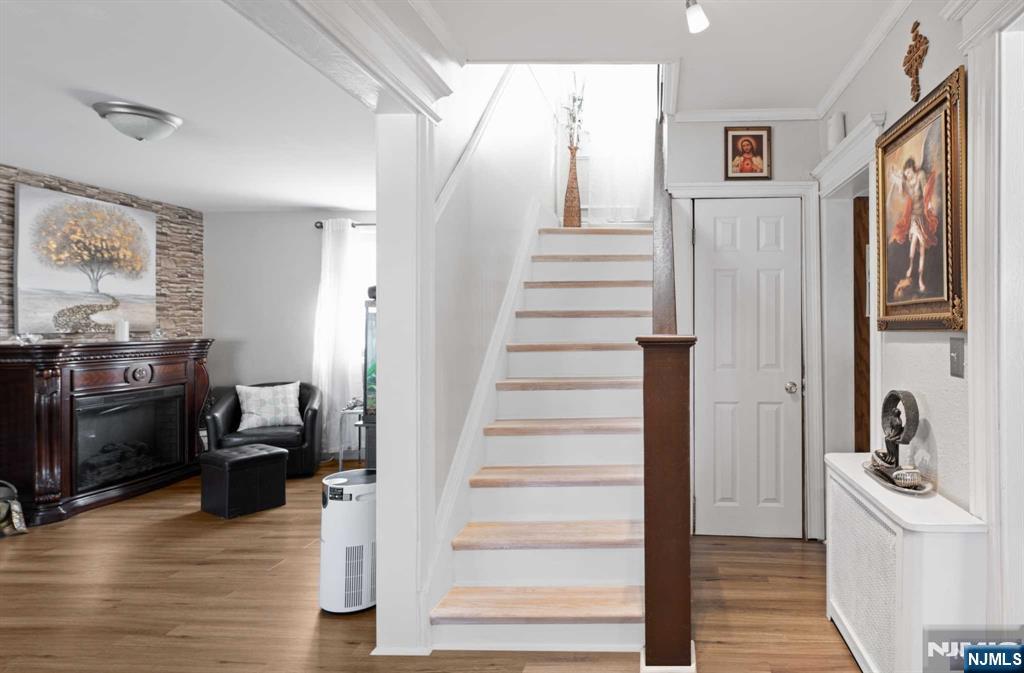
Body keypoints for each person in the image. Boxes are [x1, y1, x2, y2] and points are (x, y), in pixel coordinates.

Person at [888, 157, 939, 296]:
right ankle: (910, 267)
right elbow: (902, 192)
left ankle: (921, 280)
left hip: (921, 218)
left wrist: (929, 205)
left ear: (913, 169)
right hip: (913, 219)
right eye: (906, 174)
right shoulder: (908, 182)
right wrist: (899, 181)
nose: (908, 176)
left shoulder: (921, 175)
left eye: (909, 173)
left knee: (921, 250)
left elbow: (926, 191)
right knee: (914, 242)